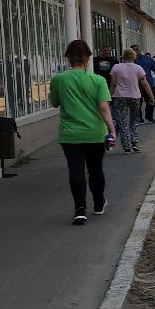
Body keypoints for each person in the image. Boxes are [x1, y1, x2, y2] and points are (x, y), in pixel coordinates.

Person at [48, 39, 117, 226]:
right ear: (88, 58)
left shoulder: (58, 80)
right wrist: (112, 130)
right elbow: (104, 108)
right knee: (95, 169)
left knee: (75, 170)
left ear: (68, 58)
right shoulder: (98, 80)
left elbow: (54, 103)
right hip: (95, 133)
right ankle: (98, 203)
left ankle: (80, 209)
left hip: (70, 134)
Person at [109, 50, 149, 153]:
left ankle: (126, 147)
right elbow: (144, 83)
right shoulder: (138, 68)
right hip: (135, 96)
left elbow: (113, 84)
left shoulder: (116, 67)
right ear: (134, 57)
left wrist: (109, 96)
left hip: (120, 97)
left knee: (123, 122)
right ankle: (134, 142)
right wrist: (151, 96)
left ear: (123, 56)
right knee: (134, 120)